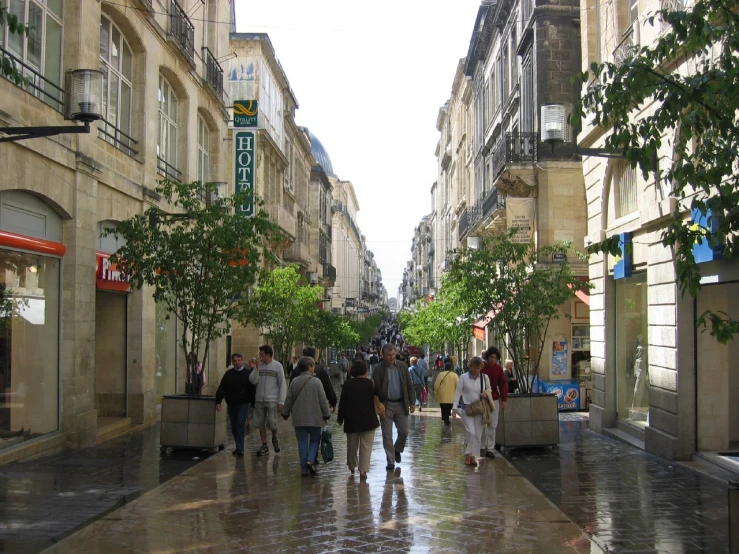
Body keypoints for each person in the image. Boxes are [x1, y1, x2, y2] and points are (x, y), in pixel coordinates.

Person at [281, 357, 331, 477]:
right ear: (309, 367)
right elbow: (323, 400)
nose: (314, 368)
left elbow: (289, 399)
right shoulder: (317, 382)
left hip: (299, 418)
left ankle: (304, 468)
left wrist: (285, 413)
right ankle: (310, 460)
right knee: (315, 440)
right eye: (313, 365)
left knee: (302, 442)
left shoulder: (294, 382)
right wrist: (326, 414)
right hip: (315, 417)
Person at [337, 360, 384, 479]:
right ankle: (363, 470)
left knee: (352, 445)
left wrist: (340, 418)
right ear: (366, 370)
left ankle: (352, 465)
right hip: (369, 420)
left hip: (351, 420)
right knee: (366, 446)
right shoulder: (371, 383)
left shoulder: (348, 384)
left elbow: (343, 402)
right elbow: (383, 397)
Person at [373, 344, 415, 471]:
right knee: (387, 435)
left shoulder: (402, 366)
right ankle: (390, 461)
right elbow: (376, 388)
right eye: (388, 355)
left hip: (401, 404)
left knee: (404, 431)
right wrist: (379, 405)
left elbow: (409, 384)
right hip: (386, 405)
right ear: (383, 356)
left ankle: (397, 449)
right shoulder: (379, 369)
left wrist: (412, 402)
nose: (391, 357)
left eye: (393, 355)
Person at [452, 356, 491, 467]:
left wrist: (485, 393)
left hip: (480, 408)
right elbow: (457, 392)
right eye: (475, 368)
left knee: (478, 435)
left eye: (479, 368)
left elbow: (489, 390)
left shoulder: (484, 378)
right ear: (471, 367)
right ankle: (468, 454)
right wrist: (454, 408)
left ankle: (472, 456)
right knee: (471, 432)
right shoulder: (464, 377)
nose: (477, 370)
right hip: (467, 409)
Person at [215, 353, 256, 456]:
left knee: (240, 423)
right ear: (232, 362)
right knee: (234, 426)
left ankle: (240, 447)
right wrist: (218, 401)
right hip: (232, 403)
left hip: (243, 403)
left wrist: (253, 404)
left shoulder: (247, 374)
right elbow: (222, 387)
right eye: (235, 361)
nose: (237, 362)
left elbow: (252, 390)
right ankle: (238, 446)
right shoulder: (228, 374)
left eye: (239, 360)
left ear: (242, 360)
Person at [250, 345, 287, 457]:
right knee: (260, 423)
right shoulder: (259, 366)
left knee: (272, 422)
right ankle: (264, 444)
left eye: (262, 354)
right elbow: (252, 380)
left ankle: (274, 438)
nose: (260, 356)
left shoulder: (277, 366)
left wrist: (281, 401)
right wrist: (256, 368)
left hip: (272, 399)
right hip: (259, 399)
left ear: (269, 354)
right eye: (260, 354)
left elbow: (282, 384)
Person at [480, 347, 508, 458]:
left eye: (495, 357)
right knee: (482, 423)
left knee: (493, 425)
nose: (493, 359)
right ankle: (482, 447)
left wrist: (504, 399)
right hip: (482, 399)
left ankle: (490, 448)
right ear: (487, 357)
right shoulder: (481, 368)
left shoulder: (498, 369)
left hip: (494, 399)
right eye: (491, 357)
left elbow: (503, 384)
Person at [299, 346, 337, 413]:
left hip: (301, 405)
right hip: (317, 404)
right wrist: (333, 402)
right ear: (314, 356)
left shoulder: (297, 370)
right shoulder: (320, 369)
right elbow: (327, 386)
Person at [434, 361, 459, 425]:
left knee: (443, 407)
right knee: (449, 406)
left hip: (442, 394)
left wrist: (435, 393)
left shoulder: (441, 374)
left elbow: (436, 385)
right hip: (451, 395)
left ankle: (446, 418)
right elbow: (458, 385)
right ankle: (447, 417)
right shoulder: (455, 375)